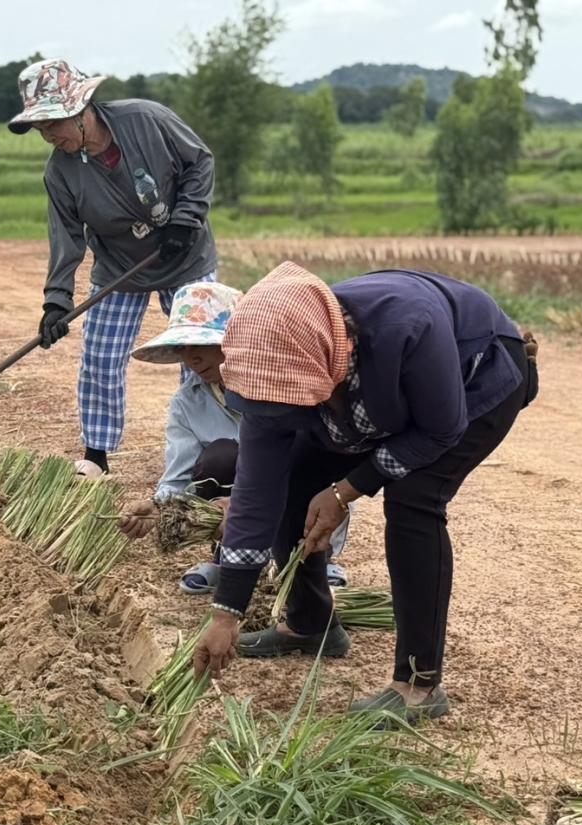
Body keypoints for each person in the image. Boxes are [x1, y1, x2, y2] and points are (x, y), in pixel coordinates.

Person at [193, 263, 539, 724]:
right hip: (364, 399)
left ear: (314, 371)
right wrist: (225, 613)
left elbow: (440, 430)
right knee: (295, 480)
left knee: (414, 499)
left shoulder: (405, 326)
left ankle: (419, 684)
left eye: (284, 399)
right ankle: (309, 624)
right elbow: (258, 493)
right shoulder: (272, 365)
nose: (273, 409)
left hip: (474, 383)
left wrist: (345, 490)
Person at [8, 58, 217, 477]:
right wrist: (56, 302)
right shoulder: (60, 173)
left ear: (80, 111)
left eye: (53, 124)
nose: (48, 136)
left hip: (185, 254)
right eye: (41, 128)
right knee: (101, 357)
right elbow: (66, 238)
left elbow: (200, 162)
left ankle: (208, 450)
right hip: (120, 265)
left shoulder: (146, 119)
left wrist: (186, 218)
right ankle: (97, 456)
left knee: (201, 355)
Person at [117, 281, 348, 594]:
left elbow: (327, 454)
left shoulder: (284, 379)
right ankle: (226, 558)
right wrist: (155, 506)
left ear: (234, 340)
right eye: (183, 347)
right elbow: (180, 474)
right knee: (221, 456)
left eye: (202, 344)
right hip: (234, 509)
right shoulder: (188, 402)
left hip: (294, 487)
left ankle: (316, 556)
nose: (191, 358)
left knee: (310, 456)